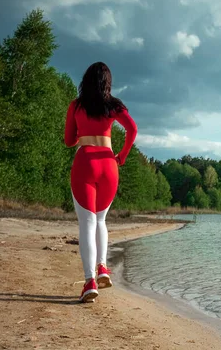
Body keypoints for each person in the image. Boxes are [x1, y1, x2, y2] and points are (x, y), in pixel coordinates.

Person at [64, 62, 137, 303]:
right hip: (108, 164)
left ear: (85, 80)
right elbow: (132, 129)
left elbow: (68, 141)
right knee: (101, 220)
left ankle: (89, 281)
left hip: (86, 162)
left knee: (87, 222)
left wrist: (81, 133)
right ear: (108, 82)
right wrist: (123, 155)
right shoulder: (114, 106)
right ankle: (103, 267)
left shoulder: (76, 106)